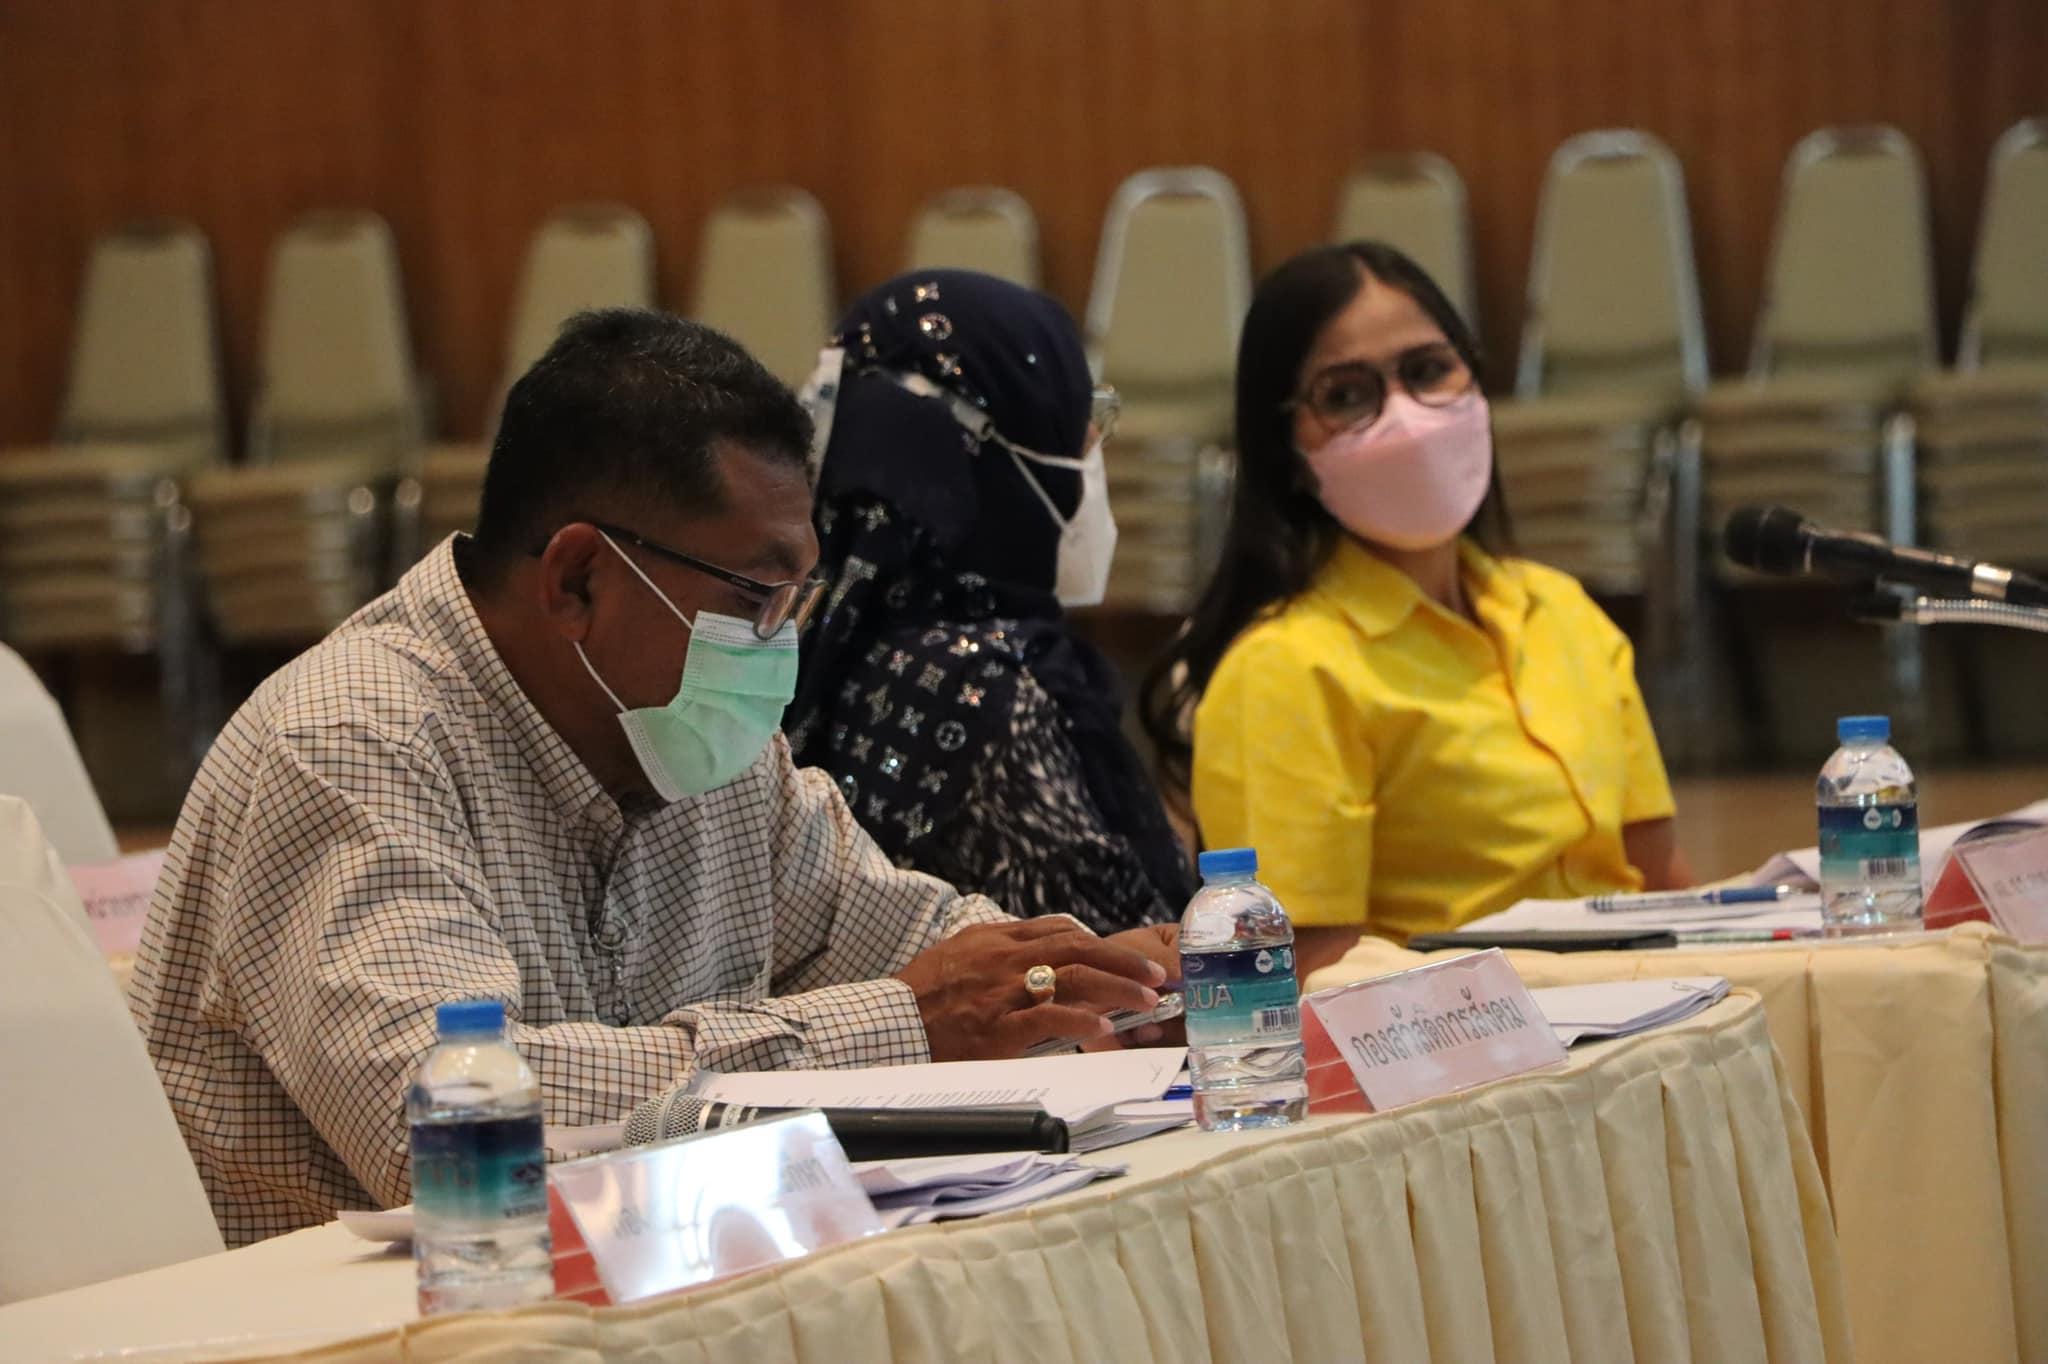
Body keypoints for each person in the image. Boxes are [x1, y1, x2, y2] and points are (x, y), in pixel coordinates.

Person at [130, 310, 1176, 1245]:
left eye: (797, 599)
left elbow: (914, 939)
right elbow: (455, 1131)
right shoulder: (350, 744)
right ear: (579, 578)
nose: (776, 644)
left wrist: (1096, 991)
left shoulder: (702, 741)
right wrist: (907, 1021)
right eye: (756, 596)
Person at [1142, 243, 1691, 975]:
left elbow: (1658, 881)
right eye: (1346, 396)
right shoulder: (1284, 669)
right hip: (1461, 1036)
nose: (1405, 418)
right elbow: (1313, 972)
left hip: (1636, 1009)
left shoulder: (1560, 610)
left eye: (1429, 371)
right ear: (1287, 449)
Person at [785, 270, 1195, 933]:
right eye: (1080, 422)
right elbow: (1136, 958)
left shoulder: (820, 635)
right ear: (989, 454)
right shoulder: (985, 681)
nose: (1093, 450)